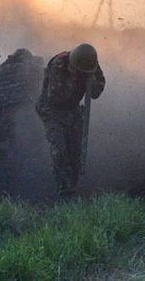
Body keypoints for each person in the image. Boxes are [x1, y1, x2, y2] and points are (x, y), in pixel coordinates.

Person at [36, 43, 105, 199]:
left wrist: (90, 79)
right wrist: (77, 79)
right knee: (60, 150)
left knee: (75, 152)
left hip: (72, 111)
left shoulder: (90, 64)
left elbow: (96, 92)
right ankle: (64, 190)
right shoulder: (59, 64)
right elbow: (55, 97)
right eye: (74, 69)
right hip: (51, 111)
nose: (74, 72)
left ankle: (72, 186)